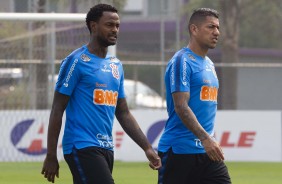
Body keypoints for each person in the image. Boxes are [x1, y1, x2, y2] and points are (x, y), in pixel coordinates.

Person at [41, 4, 161, 184]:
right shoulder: (76, 61)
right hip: (81, 145)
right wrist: (51, 155)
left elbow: (123, 112)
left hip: (106, 147)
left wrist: (147, 148)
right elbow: (58, 108)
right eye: (109, 25)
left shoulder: (116, 65)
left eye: (117, 26)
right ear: (94, 26)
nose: (115, 30)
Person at [157, 8, 231, 184]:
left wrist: (209, 140)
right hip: (180, 150)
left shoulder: (210, 64)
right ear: (194, 29)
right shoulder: (181, 61)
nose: (216, 32)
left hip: (207, 152)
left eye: (218, 28)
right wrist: (206, 138)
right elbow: (181, 106)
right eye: (211, 27)